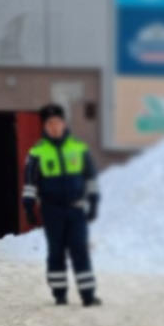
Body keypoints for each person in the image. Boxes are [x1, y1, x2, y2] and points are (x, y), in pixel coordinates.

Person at [22, 102, 100, 307]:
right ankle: (59, 294)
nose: (55, 127)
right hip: (52, 210)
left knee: (80, 251)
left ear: (64, 123)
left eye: (58, 122)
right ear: (45, 127)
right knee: (56, 252)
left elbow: (90, 178)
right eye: (50, 123)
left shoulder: (78, 148)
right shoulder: (37, 153)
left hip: (76, 209)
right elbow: (30, 183)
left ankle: (88, 295)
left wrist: (93, 202)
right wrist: (29, 207)